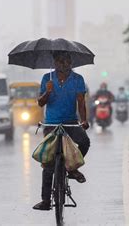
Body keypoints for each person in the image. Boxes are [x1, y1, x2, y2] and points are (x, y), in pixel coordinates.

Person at [32, 51, 91, 211]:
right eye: (59, 61)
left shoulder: (78, 79)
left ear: (70, 63)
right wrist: (48, 91)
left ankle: (72, 168)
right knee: (48, 164)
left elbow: (81, 102)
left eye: (66, 61)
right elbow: (40, 103)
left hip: (70, 122)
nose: (63, 65)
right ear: (55, 63)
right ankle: (45, 201)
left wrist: (84, 120)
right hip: (51, 123)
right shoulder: (47, 79)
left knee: (84, 142)